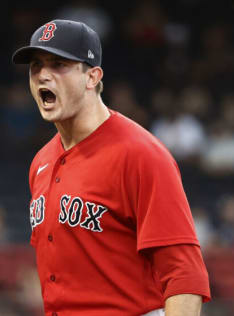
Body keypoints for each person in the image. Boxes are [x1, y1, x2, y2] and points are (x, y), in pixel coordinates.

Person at [12, 19, 211, 316]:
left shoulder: (141, 154)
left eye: (58, 64)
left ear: (92, 77)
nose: (43, 75)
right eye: (36, 66)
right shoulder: (41, 162)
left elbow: (184, 275)